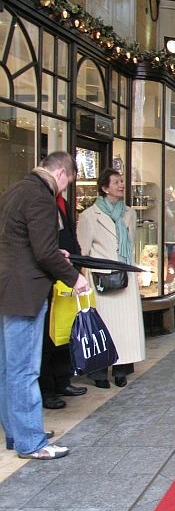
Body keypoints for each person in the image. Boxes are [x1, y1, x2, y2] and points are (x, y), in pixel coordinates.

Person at [0, 151, 91, 460]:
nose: (63, 191)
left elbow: (21, 244)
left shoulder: (15, 190)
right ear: (62, 175)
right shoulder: (40, 196)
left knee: (8, 369)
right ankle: (31, 442)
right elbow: (43, 253)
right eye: (66, 185)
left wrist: (55, 254)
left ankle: (19, 432)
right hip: (26, 293)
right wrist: (73, 277)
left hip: (9, 290)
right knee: (24, 370)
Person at [77, 167, 147, 389]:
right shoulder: (89, 216)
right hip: (100, 277)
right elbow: (83, 251)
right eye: (116, 182)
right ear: (104, 187)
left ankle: (121, 370)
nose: (121, 185)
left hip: (124, 274)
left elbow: (131, 243)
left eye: (121, 181)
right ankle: (98, 373)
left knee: (124, 327)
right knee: (102, 325)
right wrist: (81, 280)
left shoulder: (129, 213)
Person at [39, 185, 88, 410]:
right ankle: (47, 389)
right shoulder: (41, 202)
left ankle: (63, 381)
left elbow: (70, 234)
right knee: (49, 335)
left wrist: (77, 263)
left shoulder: (61, 202)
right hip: (50, 276)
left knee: (66, 329)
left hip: (68, 272)